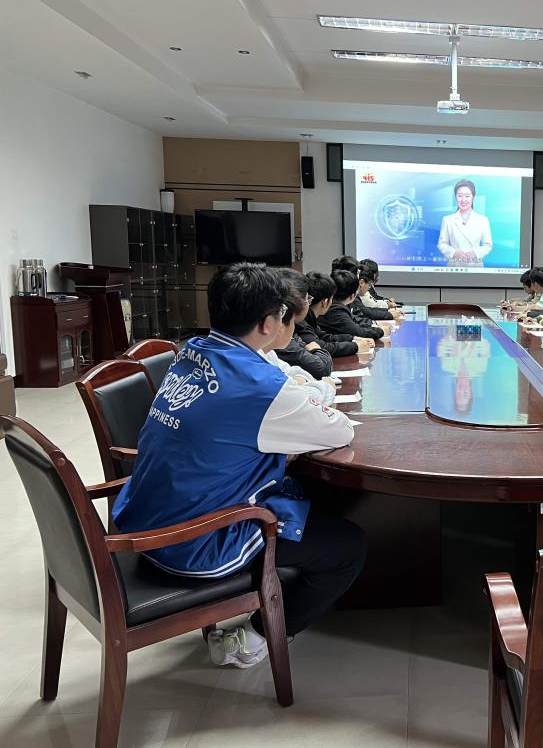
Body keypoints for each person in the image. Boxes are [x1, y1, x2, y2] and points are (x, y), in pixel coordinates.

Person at [112, 263, 366, 667]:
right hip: (194, 542)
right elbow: (339, 431)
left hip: (142, 521)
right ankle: (254, 637)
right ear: (268, 323)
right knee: (347, 546)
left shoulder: (191, 352)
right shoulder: (259, 386)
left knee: (305, 496)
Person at [272, 269, 334, 380]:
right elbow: (320, 368)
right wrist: (316, 349)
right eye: (307, 299)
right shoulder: (282, 329)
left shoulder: (291, 325)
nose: (308, 304)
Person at [301, 271, 373, 357]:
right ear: (325, 302)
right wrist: (356, 346)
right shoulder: (301, 322)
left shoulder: (310, 318)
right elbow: (321, 347)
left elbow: (324, 337)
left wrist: (353, 339)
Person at [437, 178, 492, 266]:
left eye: (467, 196)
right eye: (460, 196)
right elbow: (442, 244)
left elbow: (488, 245)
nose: (463, 200)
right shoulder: (447, 220)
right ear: (455, 197)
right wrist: (454, 253)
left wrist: (475, 253)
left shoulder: (483, 220)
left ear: (473, 197)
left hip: (475, 266)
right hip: (455, 266)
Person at [320, 270, 385, 340]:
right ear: (353, 296)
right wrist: (381, 331)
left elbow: (354, 319)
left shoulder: (338, 304)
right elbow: (358, 332)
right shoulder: (335, 310)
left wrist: (373, 324)